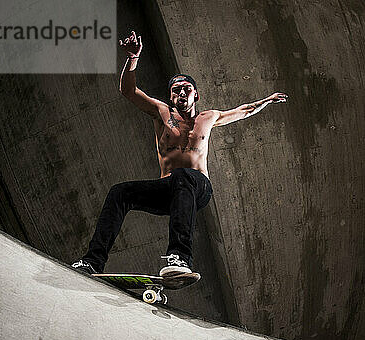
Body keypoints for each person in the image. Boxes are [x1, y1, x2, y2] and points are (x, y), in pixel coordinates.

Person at [72, 31, 287, 276]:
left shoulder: (210, 117)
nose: (181, 94)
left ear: (196, 94)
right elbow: (128, 91)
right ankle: (93, 261)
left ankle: (180, 258)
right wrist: (133, 59)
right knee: (120, 192)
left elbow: (244, 110)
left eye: (186, 89)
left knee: (184, 176)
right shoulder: (161, 113)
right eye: (176, 91)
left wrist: (266, 101)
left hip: (198, 188)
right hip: (168, 190)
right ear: (171, 96)